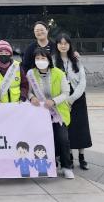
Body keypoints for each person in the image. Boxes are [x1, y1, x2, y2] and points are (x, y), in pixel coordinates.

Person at [27, 47, 74, 180]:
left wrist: (54, 101)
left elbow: (66, 93)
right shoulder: (31, 74)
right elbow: (29, 91)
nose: (40, 61)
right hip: (40, 114)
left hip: (58, 112)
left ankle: (66, 167)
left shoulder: (59, 73)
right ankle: (51, 165)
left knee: (63, 139)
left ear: (48, 60)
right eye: (37, 58)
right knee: (46, 140)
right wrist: (32, 97)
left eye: (43, 58)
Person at [54, 33, 92, 170]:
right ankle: (68, 156)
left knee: (81, 128)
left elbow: (82, 82)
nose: (63, 46)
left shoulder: (76, 60)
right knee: (67, 129)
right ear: (57, 45)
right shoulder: (54, 61)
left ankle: (82, 157)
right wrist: (64, 100)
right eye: (60, 43)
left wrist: (71, 99)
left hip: (78, 98)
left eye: (66, 43)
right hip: (62, 99)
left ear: (70, 45)